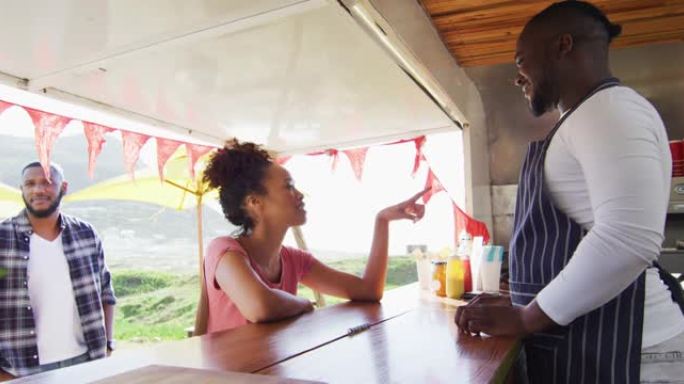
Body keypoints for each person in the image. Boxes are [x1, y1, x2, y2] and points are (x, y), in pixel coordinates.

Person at [454, 2, 684, 383]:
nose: (517, 77)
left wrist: (529, 315)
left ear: (563, 46)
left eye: (520, 61)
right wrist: (518, 301)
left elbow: (628, 239)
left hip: (634, 351)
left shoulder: (608, 111)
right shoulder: (588, 117)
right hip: (600, 344)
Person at [198, 140, 425, 334]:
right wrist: (304, 303)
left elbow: (368, 292)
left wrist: (382, 220)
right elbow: (260, 307)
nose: (299, 195)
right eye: (288, 187)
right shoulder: (224, 252)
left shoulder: (294, 260)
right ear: (255, 202)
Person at [0, 162, 116, 377]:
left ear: (63, 187)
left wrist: (108, 344)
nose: (38, 190)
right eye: (30, 183)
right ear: (22, 190)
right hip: (22, 370)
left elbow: (106, 294)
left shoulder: (85, 234)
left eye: (47, 182)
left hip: (85, 362)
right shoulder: (3, 239)